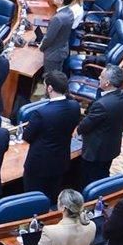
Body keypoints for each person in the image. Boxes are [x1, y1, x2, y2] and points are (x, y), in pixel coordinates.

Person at [22, 71, 80, 199]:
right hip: (61, 160)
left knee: (32, 198)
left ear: (49, 88)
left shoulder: (42, 112)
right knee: (52, 196)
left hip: (39, 164)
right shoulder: (75, 106)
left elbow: (27, 136)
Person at [77, 66, 123, 187]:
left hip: (96, 150)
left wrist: (77, 130)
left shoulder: (102, 105)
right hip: (112, 145)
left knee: (89, 180)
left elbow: (85, 125)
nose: (98, 78)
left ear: (107, 83)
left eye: (101, 76)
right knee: (103, 175)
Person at [37, 0, 75, 78]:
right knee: (57, 75)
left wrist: (41, 47)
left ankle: (48, 92)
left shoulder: (58, 18)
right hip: (62, 49)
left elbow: (49, 38)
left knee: (50, 78)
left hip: (53, 53)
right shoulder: (70, 12)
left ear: (61, 1)